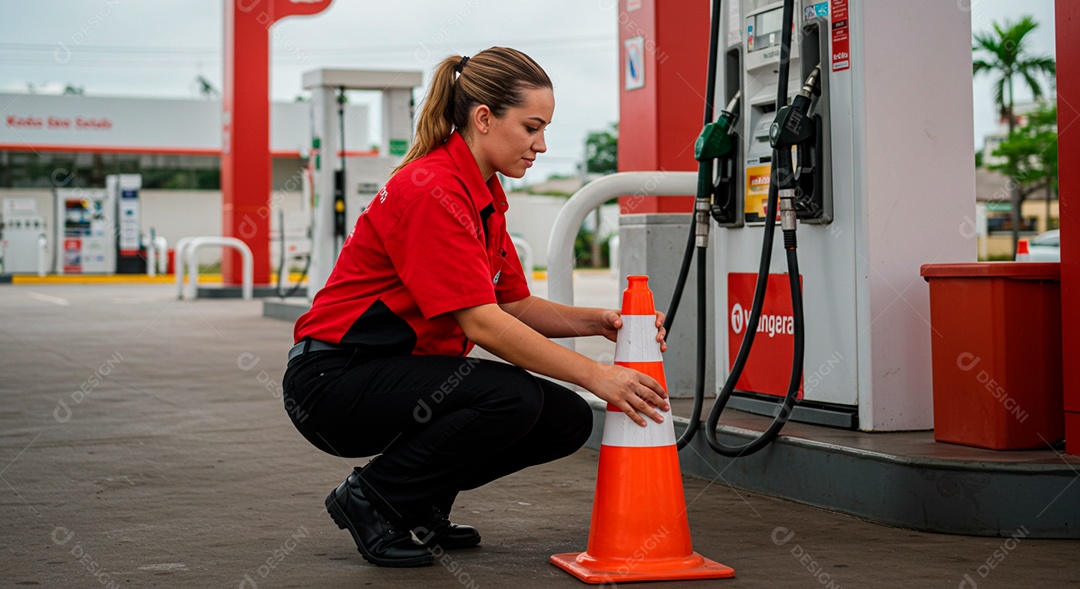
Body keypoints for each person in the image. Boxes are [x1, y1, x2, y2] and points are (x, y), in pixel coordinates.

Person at [282, 46, 669, 568]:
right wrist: (598, 375)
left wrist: (600, 322)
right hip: (333, 380)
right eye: (531, 127)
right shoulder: (432, 189)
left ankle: (418, 502)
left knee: (566, 419)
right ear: (484, 118)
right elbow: (483, 323)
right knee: (510, 397)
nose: (541, 145)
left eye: (544, 129)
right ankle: (374, 497)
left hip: (394, 372)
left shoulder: (481, 193)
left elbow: (514, 304)